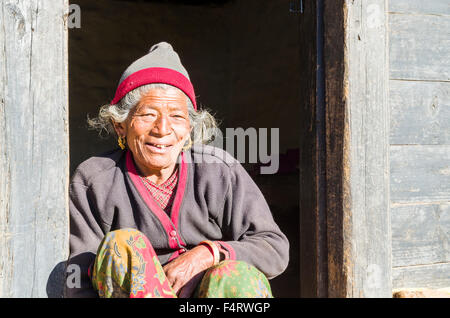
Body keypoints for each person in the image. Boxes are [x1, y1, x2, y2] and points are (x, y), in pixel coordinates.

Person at [65, 42, 289, 298]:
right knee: (123, 246)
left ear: (189, 129)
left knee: (237, 277)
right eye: (148, 114)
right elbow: (77, 279)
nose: (162, 128)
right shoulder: (95, 180)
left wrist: (209, 253)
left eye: (177, 117)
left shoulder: (218, 171)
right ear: (120, 126)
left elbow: (274, 248)